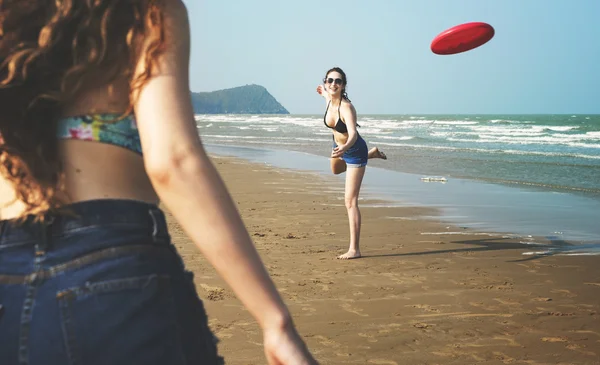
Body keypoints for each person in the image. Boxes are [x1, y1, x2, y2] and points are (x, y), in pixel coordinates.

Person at [0, 1, 317, 364]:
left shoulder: (8, 16)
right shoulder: (144, 10)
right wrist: (275, 321)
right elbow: (172, 161)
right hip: (112, 260)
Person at [316, 67, 387, 260]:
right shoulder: (329, 97)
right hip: (337, 145)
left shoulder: (346, 107)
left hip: (353, 149)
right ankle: (371, 155)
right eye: (330, 80)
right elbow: (325, 93)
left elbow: (353, 134)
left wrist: (346, 147)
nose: (333, 84)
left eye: (338, 81)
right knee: (335, 170)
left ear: (344, 85)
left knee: (350, 201)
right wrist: (322, 91)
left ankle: (354, 249)